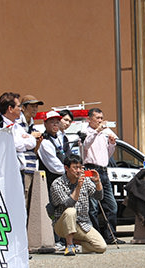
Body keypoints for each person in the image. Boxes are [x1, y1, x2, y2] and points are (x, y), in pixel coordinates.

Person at [50, 154, 106, 256]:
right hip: (62, 225)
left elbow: (99, 197)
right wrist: (78, 187)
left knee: (101, 247)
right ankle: (70, 245)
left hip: (82, 224)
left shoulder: (85, 181)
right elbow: (68, 204)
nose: (79, 171)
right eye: (75, 168)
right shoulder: (57, 184)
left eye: (81, 168)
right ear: (66, 168)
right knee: (71, 211)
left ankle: (77, 243)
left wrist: (98, 182)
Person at [0, 93, 40, 213]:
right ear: (10, 109)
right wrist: (24, 140)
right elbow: (15, 144)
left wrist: (27, 139)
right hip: (7, 171)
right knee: (10, 205)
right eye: (18, 106)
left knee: (21, 205)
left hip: (20, 170)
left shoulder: (16, 126)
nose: (20, 109)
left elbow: (32, 143)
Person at [82, 107, 121, 244]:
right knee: (93, 207)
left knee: (112, 206)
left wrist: (112, 144)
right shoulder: (85, 132)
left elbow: (107, 155)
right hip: (90, 170)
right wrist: (97, 131)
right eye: (97, 118)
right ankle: (96, 238)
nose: (100, 121)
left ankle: (111, 236)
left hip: (103, 170)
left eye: (101, 118)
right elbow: (85, 145)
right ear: (89, 119)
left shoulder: (104, 133)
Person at [16, 95, 44, 213]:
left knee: (30, 203)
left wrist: (38, 143)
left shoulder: (33, 126)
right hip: (22, 168)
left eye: (36, 106)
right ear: (23, 107)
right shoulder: (17, 124)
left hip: (32, 167)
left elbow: (34, 152)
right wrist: (31, 137)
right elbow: (18, 144)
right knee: (23, 200)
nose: (35, 109)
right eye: (32, 106)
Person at [37, 111, 66, 195]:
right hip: (51, 182)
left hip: (62, 179)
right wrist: (69, 171)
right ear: (45, 124)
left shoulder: (58, 138)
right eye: (52, 122)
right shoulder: (44, 141)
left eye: (57, 122)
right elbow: (53, 165)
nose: (55, 124)